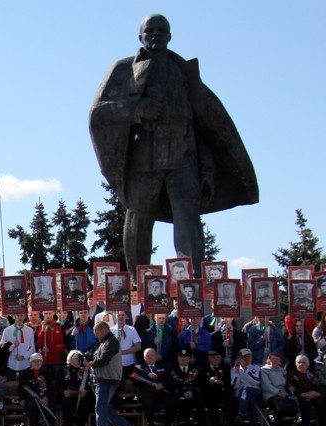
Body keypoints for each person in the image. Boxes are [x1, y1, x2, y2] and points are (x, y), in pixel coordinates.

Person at [90, 14, 257, 277]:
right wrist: (137, 111)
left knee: (188, 219)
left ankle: (191, 281)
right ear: (140, 37)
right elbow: (99, 113)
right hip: (144, 160)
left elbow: (203, 124)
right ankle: (138, 280)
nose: (155, 34)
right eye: (150, 30)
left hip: (183, 158)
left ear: (170, 36)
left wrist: (209, 168)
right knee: (139, 218)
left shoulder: (184, 71)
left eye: (161, 30)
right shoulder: (123, 70)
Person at [83, 322, 133, 426]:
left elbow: (104, 360)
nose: (96, 335)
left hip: (107, 379)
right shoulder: (104, 342)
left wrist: (90, 364)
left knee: (100, 408)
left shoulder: (111, 342)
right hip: (102, 379)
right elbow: (94, 355)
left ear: (104, 330)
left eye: (97, 332)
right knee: (104, 407)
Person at [133, 348, 175, 426]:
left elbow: (169, 379)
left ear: (156, 357)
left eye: (152, 355)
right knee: (148, 404)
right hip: (148, 395)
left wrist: (162, 384)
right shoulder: (139, 368)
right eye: (148, 356)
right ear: (144, 358)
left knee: (172, 402)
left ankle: (166, 425)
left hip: (162, 393)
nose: (150, 357)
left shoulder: (163, 366)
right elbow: (135, 381)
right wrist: (147, 376)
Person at [287, 355, 326, 426]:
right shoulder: (292, 374)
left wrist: (318, 393)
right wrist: (302, 394)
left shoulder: (313, 374)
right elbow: (291, 387)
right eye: (299, 363)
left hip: (313, 394)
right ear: (296, 364)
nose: (301, 364)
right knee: (306, 403)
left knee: (320, 402)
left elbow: (319, 386)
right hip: (300, 395)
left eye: (303, 363)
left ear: (307, 365)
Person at [18, 353, 55, 426]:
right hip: (31, 397)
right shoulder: (25, 374)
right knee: (31, 406)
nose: (36, 363)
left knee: (50, 405)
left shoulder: (46, 374)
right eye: (34, 361)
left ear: (42, 362)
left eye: (38, 361)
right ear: (31, 363)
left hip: (44, 397)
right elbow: (20, 388)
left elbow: (51, 387)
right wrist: (22, 399)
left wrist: (46, 396)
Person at [58, 349, 94, 426]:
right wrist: (63, 391)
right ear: (71, 359)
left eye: (80, 359)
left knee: (86, 406)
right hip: (68, 395)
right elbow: (58, 384)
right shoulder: (63, 369)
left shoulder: (85, 370)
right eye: (77, 359)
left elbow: (90, 382)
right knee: (67, 406)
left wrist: (86, 390)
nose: (79, 361)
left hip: (82, 395)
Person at [260, 352, 295, 426]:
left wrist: (290, 387)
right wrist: (277, 392)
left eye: (277, 359)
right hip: (269, 393)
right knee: (278, 404)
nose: (275, 361)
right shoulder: (264, 370)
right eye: (273, 359)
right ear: (268, 360)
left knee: (292, 402)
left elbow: (287, 383)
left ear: (280, 361)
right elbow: (266, 384)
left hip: (283, 392)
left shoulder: (283, 371)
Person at [170, 351, 203, 426]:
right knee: (182, 401)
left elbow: (198, 384)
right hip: (180, 395)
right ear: (177, 358)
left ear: (189, 358)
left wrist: (192, 392)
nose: (183, 359)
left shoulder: (194, 370)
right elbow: (173, 386)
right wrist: (183, 393)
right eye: (180, 357)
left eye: (185, 357)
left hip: (193, 394)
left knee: (200, 400)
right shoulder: (174, 370)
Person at [231, 348, 262, 426]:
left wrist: (245, 370)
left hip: (256, 391)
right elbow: (235, 386)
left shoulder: (256, 367)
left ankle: (241, 414)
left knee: (248, 388)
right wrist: (237, 372)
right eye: (244, 357)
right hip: (242, 394)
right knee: (251, 400)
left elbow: (256, 381)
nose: (247, 358)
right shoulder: (234, 369)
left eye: (249, 356)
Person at [1, 313, 35, 381]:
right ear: (14, 316)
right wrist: (12, 346)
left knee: (25, 384)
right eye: (18, 315)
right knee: (11, 384)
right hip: (11, 363)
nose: (20, 317)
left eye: (22, 315)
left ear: (25, 316)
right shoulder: (7, 330)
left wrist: (24, 357)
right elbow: (2, 346)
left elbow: (32, 348)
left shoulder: (30, 331)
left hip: (25, 363)